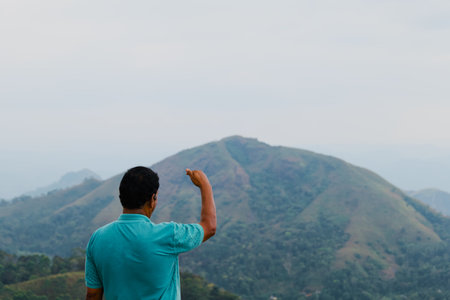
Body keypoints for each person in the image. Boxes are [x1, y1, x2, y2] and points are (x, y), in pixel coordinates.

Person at [85, 166, 216, 300]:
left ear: (121, 196)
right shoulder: (169, 235)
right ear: (152, 199)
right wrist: (205, 184)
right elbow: (209, 227)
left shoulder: (98, 238)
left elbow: (93, 295)